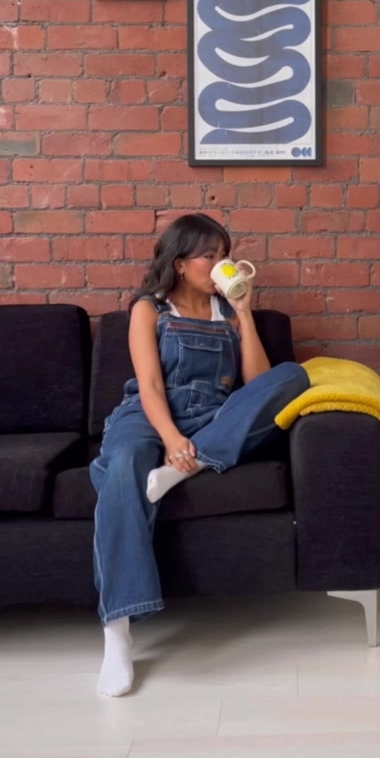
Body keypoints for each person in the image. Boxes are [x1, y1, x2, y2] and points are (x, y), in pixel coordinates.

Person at [89, 212, 308, 697]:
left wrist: (245, 312)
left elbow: (258, 385)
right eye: (210, 256)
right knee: (122, 468)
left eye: (224, 255)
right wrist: (170, 439)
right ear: (180, 262)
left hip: (214, 417)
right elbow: (149, 385)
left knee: (293, 377)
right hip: (149, 416)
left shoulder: (227, 311)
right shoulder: (149, 309)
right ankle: (117, 636)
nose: (220, 264)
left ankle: (194, 464)